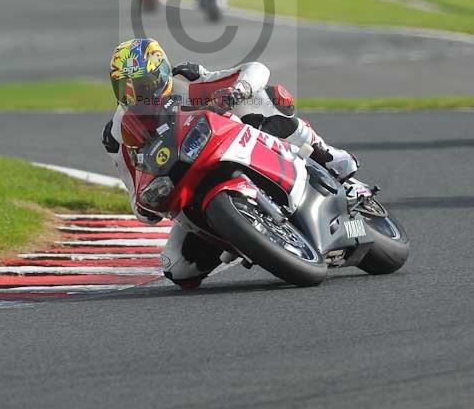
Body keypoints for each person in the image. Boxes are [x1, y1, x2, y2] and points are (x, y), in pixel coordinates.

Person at [102, 37, 359, 289]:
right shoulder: (117, 132)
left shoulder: (185, 82)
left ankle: (325, 154)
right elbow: (134, 190)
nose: (134, 94)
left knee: (266, 99)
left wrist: (239, 90)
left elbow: (256, 70)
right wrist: (147, 207)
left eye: (141, 85)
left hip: (231, 140)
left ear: (160, 75)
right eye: (124, 87)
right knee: (177, 267)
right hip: (186, 182)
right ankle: (239, 238)